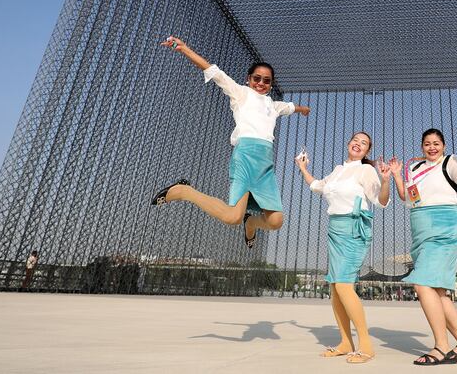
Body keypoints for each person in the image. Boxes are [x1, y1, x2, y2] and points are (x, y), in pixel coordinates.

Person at [150, 36, 310, 247]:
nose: (261, 83)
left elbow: (290, 107)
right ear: (248, 79)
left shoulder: (274, 105)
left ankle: (251, 222)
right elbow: (215, 72)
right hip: (245, 156)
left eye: (266, 80)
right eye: (257, 78)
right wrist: (184, 49)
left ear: (271, 85)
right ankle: (184, 191)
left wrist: (303, 110)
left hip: (265, 164)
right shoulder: (241, 94)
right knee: (233, 217)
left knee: (276, 221)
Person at [295, 132, 390, 364]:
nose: (359, 144)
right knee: (335, 288)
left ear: (367, 152)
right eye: (356, 140)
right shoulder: (338, 170)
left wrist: (386, 180)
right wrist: (302, 167)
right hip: (334, 230)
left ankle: (366, 345)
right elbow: (318, 186)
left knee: (345, 285)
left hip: (354, 229)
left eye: (364, 143)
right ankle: (345, 342)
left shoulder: (366, 170)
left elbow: (381, 201)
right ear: (348, 144)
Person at [388, 128, 457, 365]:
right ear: (422, 146)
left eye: (436, 143)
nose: (432, 147)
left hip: (445, 225)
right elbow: (409, 198)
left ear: (443, 145)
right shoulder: (415, 168)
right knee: (438, 291)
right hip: (421, 228)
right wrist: (398, 175)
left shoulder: (450, 162)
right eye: (427, 143)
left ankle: (441, 346)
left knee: (422, 284)